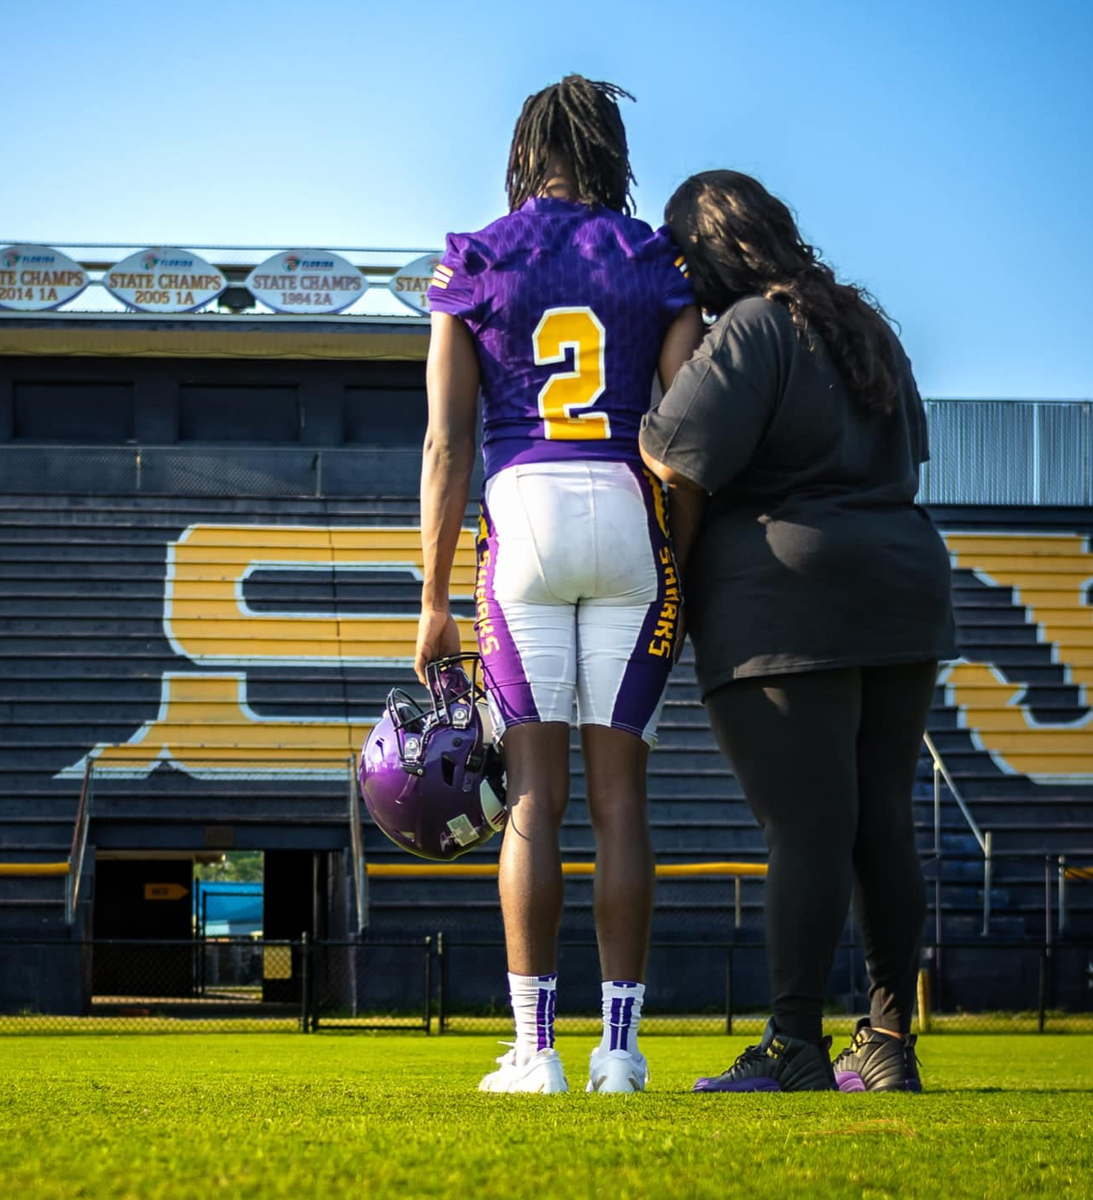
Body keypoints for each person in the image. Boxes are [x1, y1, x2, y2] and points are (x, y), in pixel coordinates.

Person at [639, 170, 957, 1093]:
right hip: (901, 578)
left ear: (703, 254)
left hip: (784, 591)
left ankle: (793, 1046)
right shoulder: (866, 325)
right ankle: (888, 1043)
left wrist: (674, 593)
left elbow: (670, 457)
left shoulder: (747, 327)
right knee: (881, 823)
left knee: (806, 828)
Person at [417, 75, 705, 1095]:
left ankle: (534, 1050)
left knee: (536, 799)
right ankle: (620, 1055)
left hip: (524, 506)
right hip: (628, 504)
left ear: (525, 148)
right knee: (623, 805)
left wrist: (433, 596)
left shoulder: (479, 256)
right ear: (609, 148)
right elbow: (686, 425)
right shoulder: (651, 258)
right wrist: (677, 551)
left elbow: (449, 441)